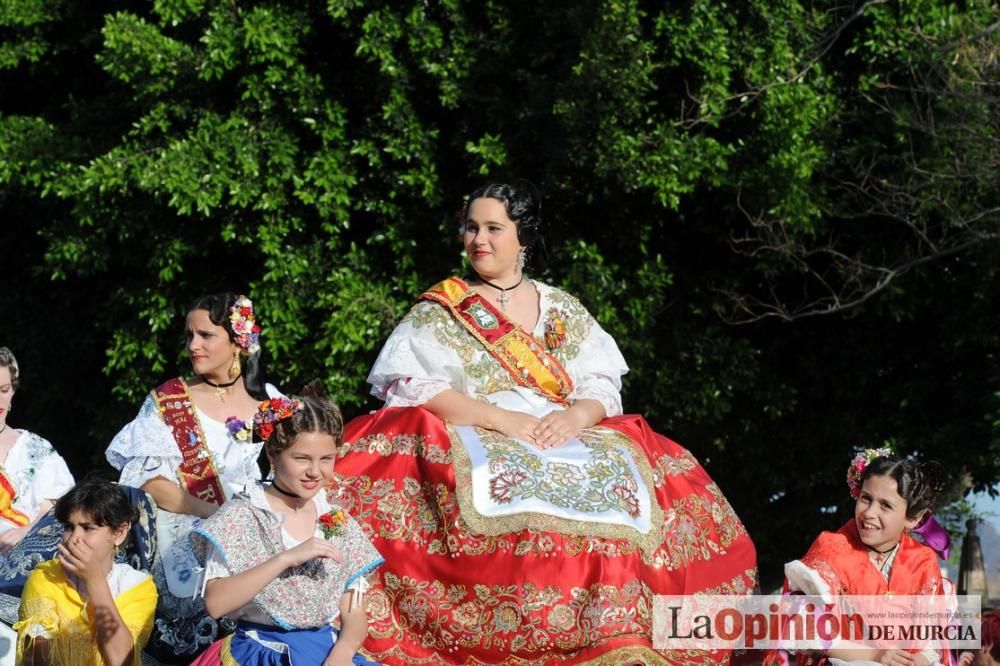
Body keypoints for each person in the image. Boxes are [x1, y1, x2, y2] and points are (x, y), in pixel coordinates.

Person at [331, 181, 758, 664]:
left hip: (566, 430)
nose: (479, 240)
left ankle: (620, 629)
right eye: (471, 227)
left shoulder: (561, 307)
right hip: (480, 426)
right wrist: (500, 419)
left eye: (494, 228)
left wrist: (576, 415)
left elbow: (600, 383)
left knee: (631, 481)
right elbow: (413, 386)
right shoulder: (443, 310)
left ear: (524, 237)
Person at [105, 293, 282, 657]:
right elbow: (149, 481)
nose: (193, 346)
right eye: (189, 336)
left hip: (259, 533)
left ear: (239, 342)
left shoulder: (272, 403)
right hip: (185, 531)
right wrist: (217, 516)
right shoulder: (169, 400)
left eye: (205, 335)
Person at [188, 395, 383, 665]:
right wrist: (286, 558)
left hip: (326, 651)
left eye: (326, 458)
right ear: (273, 454)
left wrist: (342, 653)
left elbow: (354, 611)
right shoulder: (243, 516)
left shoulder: (335, 519)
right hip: (262, 652)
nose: (315, 471)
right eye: (301, 458)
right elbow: (216, 603)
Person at [764, 450, 952, 665]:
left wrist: (918, 659)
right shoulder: (831, 550)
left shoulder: (922, 561)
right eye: (866, 498)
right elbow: (803, 630)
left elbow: (930, 639)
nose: (869, 512)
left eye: (886, 505)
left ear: (913, 519)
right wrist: (874, 656)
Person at [14, 477, 157, 666]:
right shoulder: (45, 577)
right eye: (69, 527)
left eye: (88, 528)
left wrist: (94, 581)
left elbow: (121, 660)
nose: (74, 538)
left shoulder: (137, 586)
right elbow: (42, 657)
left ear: (119, 533)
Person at [0, 347, 75, 561]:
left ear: (13, 391)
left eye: (4, 390)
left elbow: (58, 510)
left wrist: (25, 532)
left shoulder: (38, 450)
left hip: (27, 562)